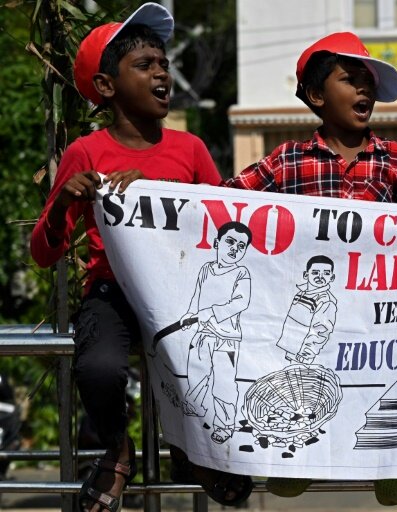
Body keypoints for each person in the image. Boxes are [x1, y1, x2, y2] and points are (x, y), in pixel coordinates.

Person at [29, 3, 252, 510]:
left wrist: (157, 191)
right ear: (106, 86)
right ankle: (117, 449)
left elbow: (223, 226)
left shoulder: (190, 149)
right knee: (100, 368)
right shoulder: (86, 153)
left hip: (181, 292)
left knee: (207, 359)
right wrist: (63, 203)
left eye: (164, 65)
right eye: (145, 65)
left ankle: (194, 449)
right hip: (113, 292)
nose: (162, 74)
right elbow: (43, 252)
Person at [225, 32, 397, 506]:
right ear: (315, 95)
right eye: (350, 80)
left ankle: (390, 464)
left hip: (375, 312)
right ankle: (294, 458)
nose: (364, 90)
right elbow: (222, 202)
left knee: (380, 381)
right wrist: (154, 193)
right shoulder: (287, 160)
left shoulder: (395, 160)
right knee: (301, 382)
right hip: (308, 306)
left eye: (368, 82)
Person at [181, 221, 252, 446]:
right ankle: (194, 406)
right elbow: (197, 295)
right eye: (230, 241)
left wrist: (212, 312)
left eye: (241, 246)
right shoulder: (206, 269)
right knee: (196, 373)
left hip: (226, 338)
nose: (234, 248)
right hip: (202, 333)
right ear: (216, 243)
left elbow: (241, 302)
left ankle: (224, 425)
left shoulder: (241, 272)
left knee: (223, 384)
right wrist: (190, 314)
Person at [277, 255, 338, 364]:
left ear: (332, 278)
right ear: (306, 275)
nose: (320, 277)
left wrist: (307, 353)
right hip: (291, 349)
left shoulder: (325, 300)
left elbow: (321, 330)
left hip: (303, 354)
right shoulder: (300, 294)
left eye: (326, 273)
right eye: (315, 272)